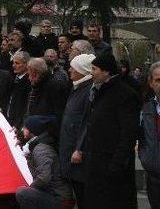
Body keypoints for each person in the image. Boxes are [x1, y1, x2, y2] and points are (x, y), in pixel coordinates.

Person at [83, 54, 139, 209]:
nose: (91, 73)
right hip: (98, 165)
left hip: (112, 167)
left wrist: (116, 164)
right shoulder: (101, 92)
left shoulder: (124, 95)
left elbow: (128, 134)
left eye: (94, 69)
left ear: (106, 71)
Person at [58, 54, 94, 209]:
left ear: (82, 70)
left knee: (84, 196)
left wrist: (79, 148)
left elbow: (87, 122)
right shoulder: (78, 87)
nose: (70, 70)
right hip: (70, 149)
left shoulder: (88, 91)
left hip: (78, 153)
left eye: (74, 67)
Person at [16, 115, 74, 209]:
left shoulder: (41, 149)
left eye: (25, 127)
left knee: (23, 193)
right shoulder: (39, 146)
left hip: (60, 199)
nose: (22, 129)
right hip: (55, 194)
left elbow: (44, 178)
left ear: (32, 130)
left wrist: (30, 188)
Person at [25, 58, 69, 128]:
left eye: (29, 74)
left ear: (35, 73)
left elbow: (58, 115)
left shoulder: (55, 86)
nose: (29, 78)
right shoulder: (37, 85)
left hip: (46, 132)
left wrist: (35, 123)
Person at [139, 62, 160, 209]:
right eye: (159, 80)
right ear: (151, 83)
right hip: (155, 176)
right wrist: (145, 157)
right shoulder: (146, 108)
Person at [5, 51, 32, 130]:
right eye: (13, 63)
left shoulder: (29, 82)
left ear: (26, 64)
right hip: (9, 121)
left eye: (17, 63)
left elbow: (25, 107)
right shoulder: (13, 79)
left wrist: (18, 124)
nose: (13, 66)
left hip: (18, 125)